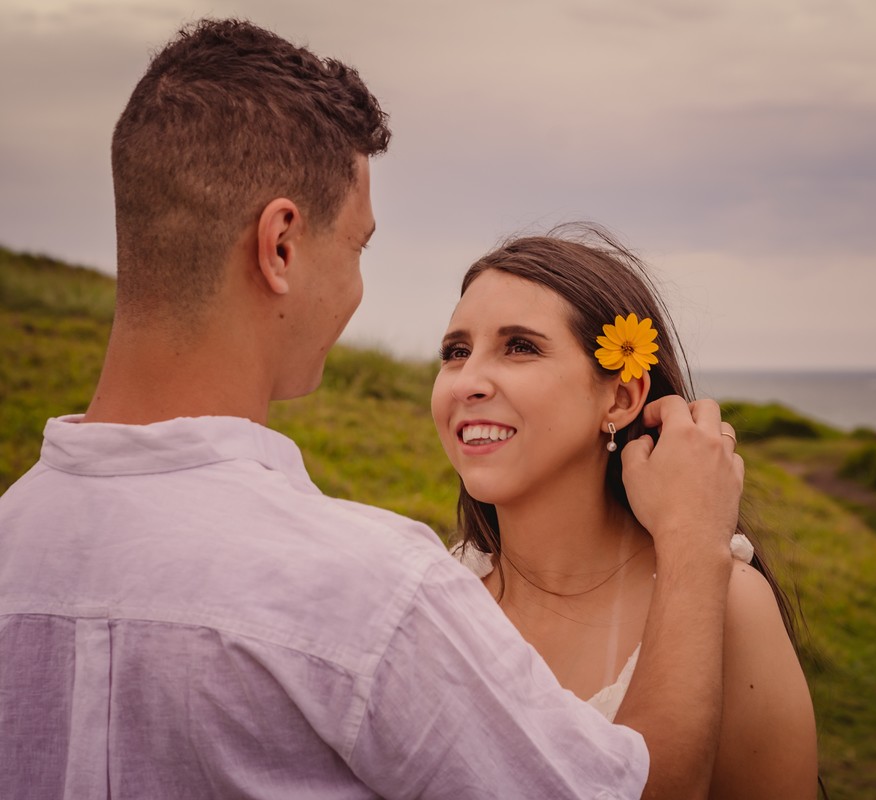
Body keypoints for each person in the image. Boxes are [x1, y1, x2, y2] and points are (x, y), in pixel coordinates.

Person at [0, 19, 745, 799]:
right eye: (357, 247)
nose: (357, 292)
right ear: (280, 246)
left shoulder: (14, 537)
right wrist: (695, 544)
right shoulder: (367, 592)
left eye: (517, 347)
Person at [433, 226, 820, 800]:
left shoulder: (729, 602)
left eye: (520, 346)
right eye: (456, 352)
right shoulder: (438, 594)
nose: (467, 382)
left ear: (620, 396)